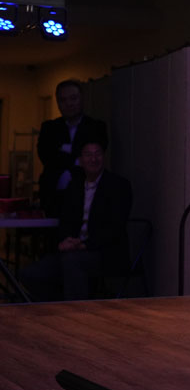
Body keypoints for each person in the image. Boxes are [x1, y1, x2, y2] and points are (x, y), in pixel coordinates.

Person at [21, 135, 132, 301]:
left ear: (104, 156)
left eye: (98, 154)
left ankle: (75, 311)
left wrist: (84, 244)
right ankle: (60, 306)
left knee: (72, 261)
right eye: (88, 154)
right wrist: (65, 241)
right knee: (30, 273)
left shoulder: (118, 185)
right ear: (80, 160)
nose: (93, 159)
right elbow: (66, 219)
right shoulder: (75, 186)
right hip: (74, 249)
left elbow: (115, 227)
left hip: (105, 252)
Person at [37, 79, 109, 217]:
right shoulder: (49, 128)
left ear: (82, 99)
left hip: (87, 196)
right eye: (63, 100)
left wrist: (63, 151)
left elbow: (92, 159)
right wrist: (76, 159)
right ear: (58, 103)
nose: (69, 104)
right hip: (53, 199)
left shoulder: (96, 127)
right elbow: (46, 156)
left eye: (73, 98)